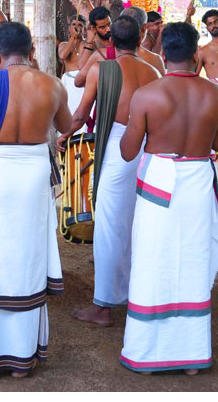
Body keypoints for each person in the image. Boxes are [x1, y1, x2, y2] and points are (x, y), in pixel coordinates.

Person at [0, 21, 71, 384]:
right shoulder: (51, 85)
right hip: (33, 179)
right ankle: (22, 361)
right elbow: (66, 126)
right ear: (31, 50)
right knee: (27, 258)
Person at [119, 22, 218, 374]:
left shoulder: (148, 95)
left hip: (159, 185)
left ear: (164, 54)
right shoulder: (217, 95)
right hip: (196, 182)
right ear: (196, 54)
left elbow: (127, 152)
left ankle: (147, 354)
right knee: (192, 262)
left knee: (154, 261)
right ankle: (191, 356)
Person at [62, 17, 160, 327]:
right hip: (147, 153)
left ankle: (103, 306)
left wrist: (61, 136)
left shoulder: (101, 69)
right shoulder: (154, 72)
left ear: (111, 41)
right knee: (138, 226)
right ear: (142, 36)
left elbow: (80, 115)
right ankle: (137, 295)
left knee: (109, 229)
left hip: (117, 149)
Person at [73, 6, 113, 89]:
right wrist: (90, 41)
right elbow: (81, 67)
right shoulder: (87, 45)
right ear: (93, 28)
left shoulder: (117, 40)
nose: (108, 29)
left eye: (109, 24)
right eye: (102, 27)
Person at [58, 15, 88, 113]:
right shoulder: (64, 45)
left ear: (84, 29)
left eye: (80, 25)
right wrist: (72, 38)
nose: (77, 27)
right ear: (69, 28)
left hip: (84, 83)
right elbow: (62, 56)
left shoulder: (87, 45)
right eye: (74, 24)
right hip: (70, 84)